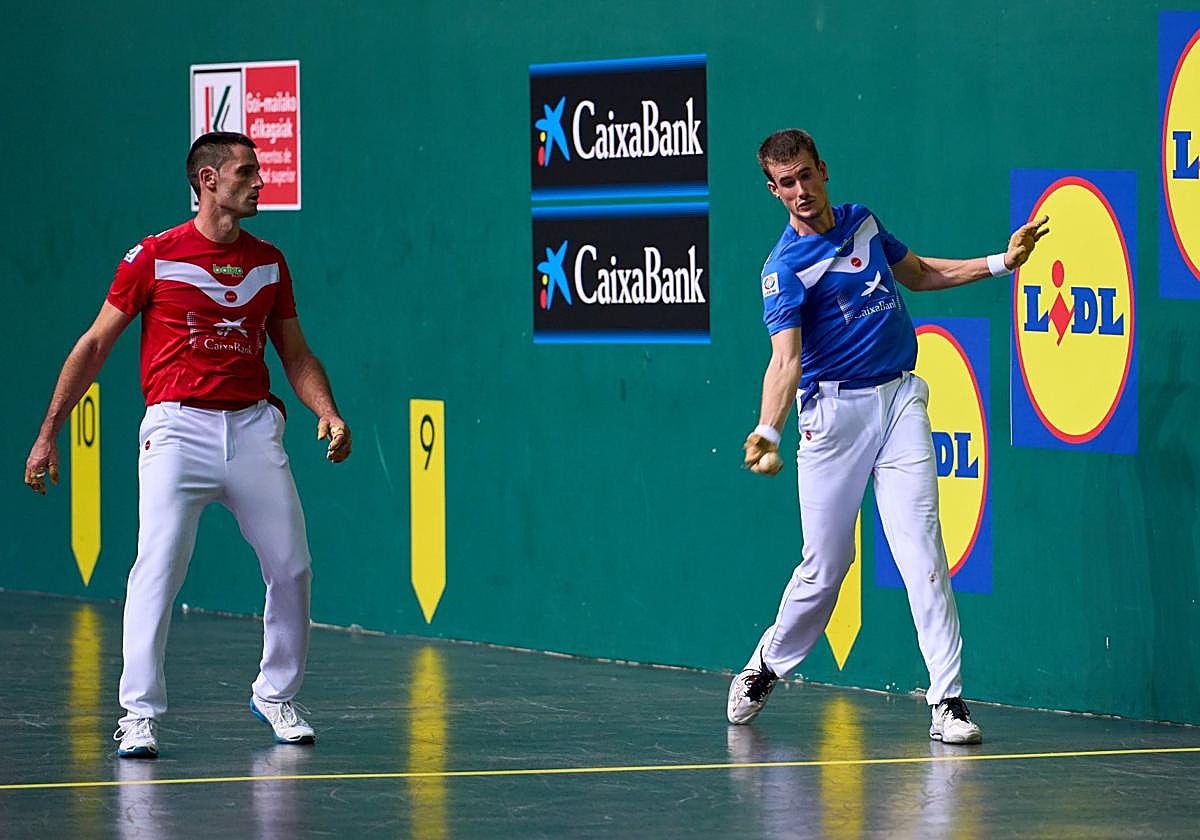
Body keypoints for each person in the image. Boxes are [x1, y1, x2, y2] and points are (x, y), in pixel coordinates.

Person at [23, 131, 352, 758]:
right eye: (247, 173)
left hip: (254, 428)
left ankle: (275, 694)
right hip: (177, 430)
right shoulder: (153, 256)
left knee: (292, 566)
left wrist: (328, 412)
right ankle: (138, 713)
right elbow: (94, 345)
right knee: (158, 566)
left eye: (258, 172)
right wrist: (48, 435)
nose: (260, 182)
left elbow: (296, 354)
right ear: (208, 181)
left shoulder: (269, 262)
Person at [728, 128, 1049, 744]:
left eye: (806, 176)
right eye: (785, 183)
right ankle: (768, 664)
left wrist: (1002, 263)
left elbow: (921, 273)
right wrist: (768, 428)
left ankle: (947, 701)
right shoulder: (783, 271)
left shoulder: (863, 222)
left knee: (923, 551)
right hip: (833, 418)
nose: (799, 191)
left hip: (900, 399)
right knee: (828, 566)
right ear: (774, 190)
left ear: (823, 169)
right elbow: (785, 363)